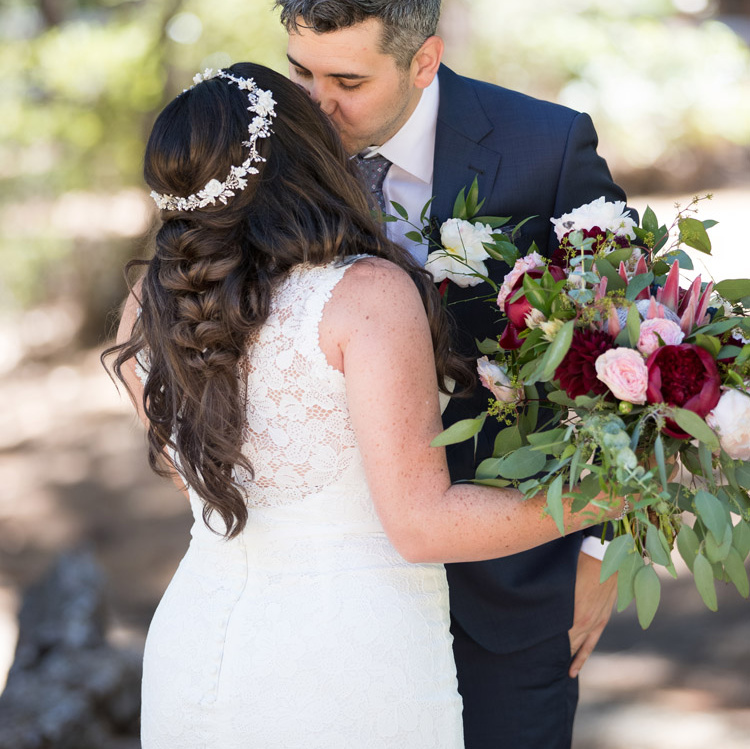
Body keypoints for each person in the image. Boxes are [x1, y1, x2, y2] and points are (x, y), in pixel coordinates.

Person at [105, 63, 622, 748]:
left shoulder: (147, 307)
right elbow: (422, 525)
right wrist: (610, 496)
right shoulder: (365, 295)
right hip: (348, 664)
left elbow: (192, 476)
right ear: (304, 152)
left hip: (195, 650)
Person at [274, 2, 630, 747]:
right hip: (330, 588)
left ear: (424, 61)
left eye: (346, 79)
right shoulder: (272, 150)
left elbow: (637, 357)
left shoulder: (549, 147)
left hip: (510, 592)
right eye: (299, 72)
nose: (314, 103)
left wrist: (604, 554)